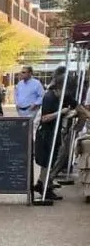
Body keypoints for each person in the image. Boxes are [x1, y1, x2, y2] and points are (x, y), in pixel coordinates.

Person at [34, 69, 90, 201]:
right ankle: (44, 187)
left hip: (56, 132)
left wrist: (86, 116)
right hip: (45, 133)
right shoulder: (49, 97)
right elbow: (44, 118)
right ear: (59, 87)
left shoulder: (66, 96)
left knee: (51, 161)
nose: (67, 94)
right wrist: (61, 112)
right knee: (46, 162)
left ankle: (42, 185)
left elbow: (79, 108)